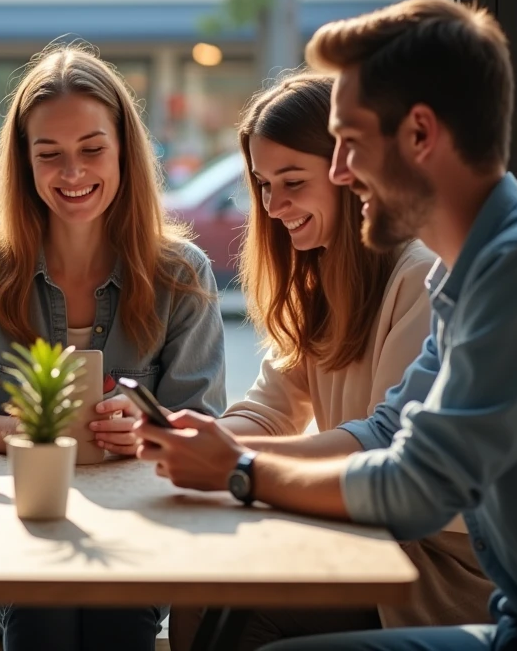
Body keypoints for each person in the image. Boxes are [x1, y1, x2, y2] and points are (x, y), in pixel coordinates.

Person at [136, 0, 517, 650]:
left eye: (350, 144)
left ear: (420, 135)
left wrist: (240, 470)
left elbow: (414, 485)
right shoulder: (466, 268)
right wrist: (220, 452)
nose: (340, 172)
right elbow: (389, 429)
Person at [0, 45, 228, 651]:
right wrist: (39, 430)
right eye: (48, 154)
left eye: (92, 150)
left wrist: (146, 429)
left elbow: (201, 426)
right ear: (24, 164)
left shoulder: (181, 272)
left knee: (109, 598)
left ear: (126, 151)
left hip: (134, 544)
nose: (72, 173)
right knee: (45, 591)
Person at [166, 73, 493, 651]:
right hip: (370, 535)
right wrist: (181, 437)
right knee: (206, 584)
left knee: (230, 600)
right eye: (263, 184)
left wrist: (232, 460)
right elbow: (269, 409)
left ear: (348, 175)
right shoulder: (320, 280)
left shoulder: (418, 273)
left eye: (292, 181)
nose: (272, 206)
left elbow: (384, 445)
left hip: (433, 566)